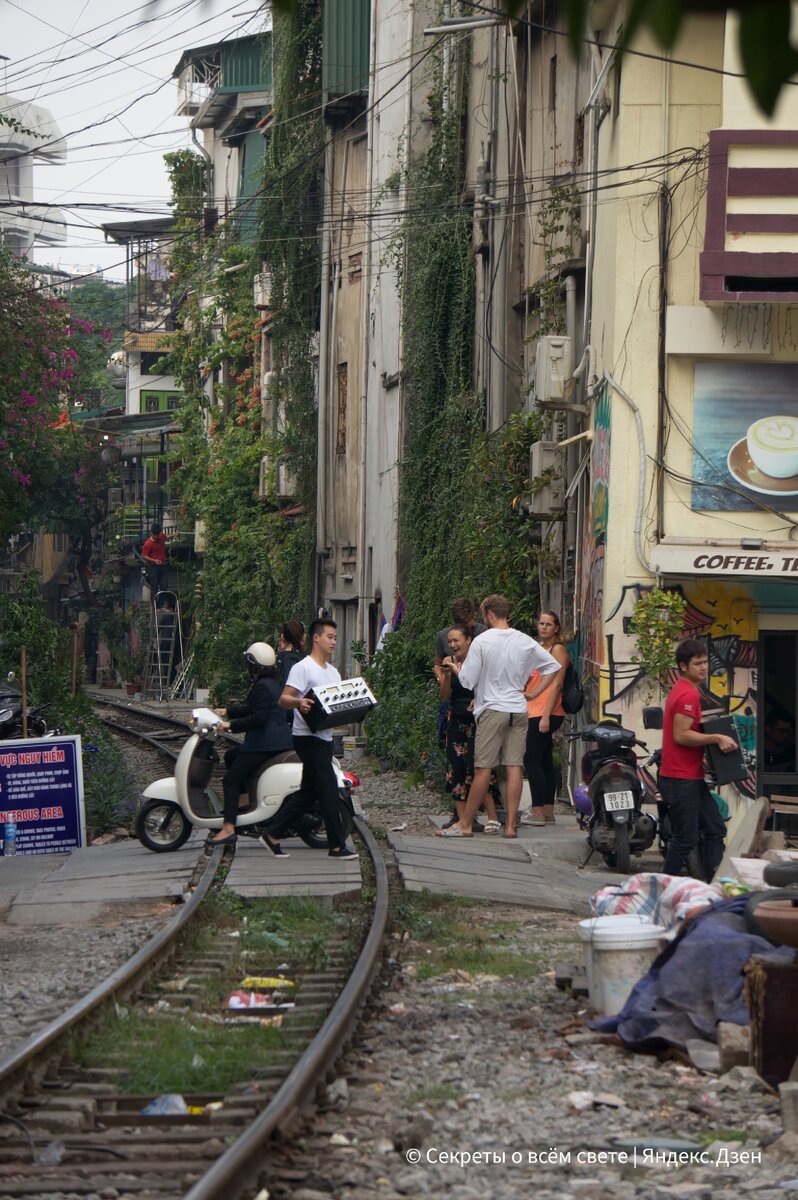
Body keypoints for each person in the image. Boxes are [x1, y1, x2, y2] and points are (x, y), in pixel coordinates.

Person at [439, 595, 560, 840]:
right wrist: (533, 692)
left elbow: (468, 681)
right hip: (518, 708)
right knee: (514, 765)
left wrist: (454, 669)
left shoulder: (483, 641)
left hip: (493, 708)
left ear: (490, 614)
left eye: (484, 615)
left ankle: (464, 824)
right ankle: (510, 827)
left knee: (483, 769)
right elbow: (552, 666)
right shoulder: (524, 640)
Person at [266, 618, 355, 860]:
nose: (334, 642)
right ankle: (337, 845)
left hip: (324, 737)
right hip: (306, 737)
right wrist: (299, 702)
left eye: (335, 638)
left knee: (308, 792)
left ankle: (273, 833)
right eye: (329, 637)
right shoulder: (302, 668)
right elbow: (284, 699)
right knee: (327, 789)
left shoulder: (333, 672)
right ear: (316, 638)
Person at [659, 636, 737, 880]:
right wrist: (716, 738)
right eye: (697, 663)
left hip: (690, 777)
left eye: (705, 662)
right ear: (683, 667)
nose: (704, 667)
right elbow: (681, 736)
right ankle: (661, 887)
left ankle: (713, 882)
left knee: (715, 828)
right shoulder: (688, 696)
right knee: (685, 839)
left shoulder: (688, 690)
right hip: (680, 779)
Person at [207, 642, 293, 848]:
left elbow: (258, 718)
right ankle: (244, 802)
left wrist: (230, 725)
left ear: (252, 665)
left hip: (266, 743)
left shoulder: (263, 686)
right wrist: (227, 710)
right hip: (273, 740)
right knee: (231, 756)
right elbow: (252, 707)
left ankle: (228, 828)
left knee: (230, 780)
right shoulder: (271, 683)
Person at [439, 624, 502, 833]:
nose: (452, 645)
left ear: (469, 641)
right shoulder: (449, 663)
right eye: (449, 642)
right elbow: (445, 696)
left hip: (478, 719)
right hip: (456, 718)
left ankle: (492, 817)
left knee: (481, 766)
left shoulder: (480, 662)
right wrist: (446, 676)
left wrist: (478, 698)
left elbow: (487, 685)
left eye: (456, 640)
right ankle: (464, 818)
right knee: (456, 767)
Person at [521, 611, 569, 827]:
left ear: (556, 628)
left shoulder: (557, 650)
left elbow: (557, 684)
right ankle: (548, 811)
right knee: (544, 760)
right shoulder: (538, 648)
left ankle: (538, 810)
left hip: (545, 711)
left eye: (549, 624)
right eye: (541, 623)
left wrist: (546, 715)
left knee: (531, 760)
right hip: (534, 709)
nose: (544, 627)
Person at [433, 598, 487, 744]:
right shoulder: (444, 636)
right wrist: (442, 679)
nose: (453, 644)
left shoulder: (485, 633)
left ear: (475, 615)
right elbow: (437, 664)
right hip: (454, 695)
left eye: (467, 624)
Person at [763, 708, 796, 774]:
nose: (785, 735)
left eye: (787, 731)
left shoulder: (792, 753)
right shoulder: (756, 751)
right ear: (768, 728)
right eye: (782, 731)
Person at [141, 522, 168, 592]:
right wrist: (154, 560)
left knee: (164, 586)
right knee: (154, 586)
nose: (157, 536)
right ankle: (154, 602)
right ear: (152, 533)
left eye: (158, 535)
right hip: (153, 567)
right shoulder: (148, 543)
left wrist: (174, 535)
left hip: (162, 565)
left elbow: (166, 538)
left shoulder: (161, 535)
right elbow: (144, 556)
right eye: (155, 535)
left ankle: (162, 602)